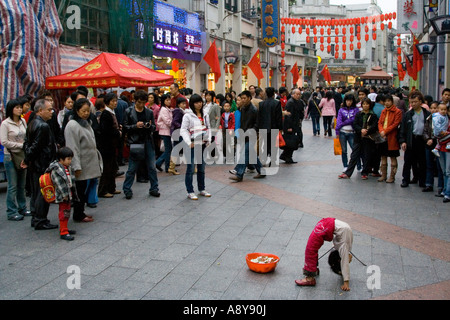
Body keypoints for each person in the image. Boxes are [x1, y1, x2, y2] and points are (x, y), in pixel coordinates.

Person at [64, 98, 102, 222]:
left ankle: (81, 212)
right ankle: (78, 214)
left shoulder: (86, 122)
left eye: (87, 111)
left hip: (89, 162)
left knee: (83, 189)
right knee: (79, 191)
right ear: (77, 110)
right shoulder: (72, 125)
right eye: (83, 111)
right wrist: (76, 166)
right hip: (81, 164)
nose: (86, 113)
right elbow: (72, 147)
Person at [23, 99, 58, 230]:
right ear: (40, 111)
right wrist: (28, 158)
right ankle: (40, 219)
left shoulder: (33, 123)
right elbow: (35, 147)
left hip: (36, 164)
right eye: (49, 109)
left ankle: (36, 217)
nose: (51, 112)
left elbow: (27, 144)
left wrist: (27, 158)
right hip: (42, 165)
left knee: (37, 192)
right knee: (43, 192)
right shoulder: (42, 126)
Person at [295, 217, 353, 291]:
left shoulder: (344, 242)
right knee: (312, 246)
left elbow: (344, 260)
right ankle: (313, 270)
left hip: (334, 226)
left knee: (311, 249)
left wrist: (346, 282)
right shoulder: (343, 239)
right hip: (334, 226)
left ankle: (310, 278)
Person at [122, 90, 160, 200]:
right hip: (135, 142)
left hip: (148, 141)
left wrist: (149, 126)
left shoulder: (148, 112)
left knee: (152, 167)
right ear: (135, 101)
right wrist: (135, 126)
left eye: (144, 102)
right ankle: (127, 189)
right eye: (139, 102)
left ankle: (154, 188)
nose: (141, 105)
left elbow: (153, 127)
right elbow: (125, 127)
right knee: (132, 168)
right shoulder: (129, 111)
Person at [0, 99, 30, 221]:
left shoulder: (23, 121)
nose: (19, 109)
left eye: (20, 107)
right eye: (16, 107)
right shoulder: (5, 124)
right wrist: (20, 145)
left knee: (22, 184)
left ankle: (22, 207)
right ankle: (11, 211)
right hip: (10, 156)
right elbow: (4, 142)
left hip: (22, 155)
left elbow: (27, 136)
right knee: (13, 185)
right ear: (11, 109)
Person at [180, 93, 212, 200]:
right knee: (190, 168)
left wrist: (209, 139)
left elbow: (208, 127)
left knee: (201, 168)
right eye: (196, 102)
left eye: (200, 102)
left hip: (202, 144)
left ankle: (202, 189)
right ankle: (190, 191)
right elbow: (183, 130)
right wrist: (189, 143)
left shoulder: (205, 114)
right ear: (192, 104)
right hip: (192, 145)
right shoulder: (187, 115)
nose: (199, 104)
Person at [229, 91, 265, 181]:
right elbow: (242, 122)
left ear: (249, 98)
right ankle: (261, 171)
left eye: (245, 98)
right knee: (251, 154)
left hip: (251, 135)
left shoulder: (254, 110)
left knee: (245, 153)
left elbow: (257, 124)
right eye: (242, 98)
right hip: (244, 134)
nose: (243, 100)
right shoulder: (243, 108)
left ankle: (239, 173)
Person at [339, 98, 379, 179]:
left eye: (367, 104)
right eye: (364, 104)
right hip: (358, 137)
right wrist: (361, 130)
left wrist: (367, 131)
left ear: (369, 105)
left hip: (368, 138)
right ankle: (348, 173)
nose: (365, 106)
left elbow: (375, 126)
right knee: (354, 155)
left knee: (366, 155)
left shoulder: (373, 115)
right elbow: (355, 124)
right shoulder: (359, 114)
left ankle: (365, 173)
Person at [398, 91, 430, 188]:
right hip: (411, 139)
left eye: (415, 102)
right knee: (408, 161)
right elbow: (403, 129)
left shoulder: (427, 114)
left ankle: (422, 180)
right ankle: (405, 180)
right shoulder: (408, 114)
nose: (413, 104)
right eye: (411, 102)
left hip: (422, 140)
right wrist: (403, 141)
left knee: (422, 162)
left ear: (420, 102)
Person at [47, 147, 79, 241]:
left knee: (67, 211)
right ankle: (63, 232)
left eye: (70, 159)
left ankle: (64, 228)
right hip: (63, 195)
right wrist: (65, 195)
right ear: (61, 159)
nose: (70, 161)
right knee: (64, 212)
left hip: (68, 194)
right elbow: (59, 184)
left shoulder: (67, 167)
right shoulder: (57, 169)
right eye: (68, 159)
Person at [97, 92, 122, 197]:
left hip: (112, 145)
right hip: (106, 146)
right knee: (107, 168)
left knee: (112, 168)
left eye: (116, 100)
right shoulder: (106, 114)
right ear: (107, 102)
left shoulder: (112, 112)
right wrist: (117, 132)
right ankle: (103, 190)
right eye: (113, 101)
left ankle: (111, 188)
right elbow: (106, 130)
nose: (115, 103)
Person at [377, 94, 403, 183]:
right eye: (385, 101)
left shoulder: (397, 111)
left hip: (392, 137)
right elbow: (380, 122)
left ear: (392, 101)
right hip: (383, 136)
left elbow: (395, 124)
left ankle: (392, 176)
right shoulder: (383, 111)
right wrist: (381, 131)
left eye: (389, 101)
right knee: (383, 156)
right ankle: (383, 175)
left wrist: (385, 131)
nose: (387, 103)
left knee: (392, 156)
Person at [256, 87, 282, 164]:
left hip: (263, 127)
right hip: (274, 127)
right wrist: (280, 128)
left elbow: (259, 117)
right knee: (273, 145)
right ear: (273, 93)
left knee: (265, 144)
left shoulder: (261, 104)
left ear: (266, 93)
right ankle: (273, 160)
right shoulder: (277, 103)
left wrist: (258, 127)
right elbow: (279, 117)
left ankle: (264, 159)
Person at [335, 93, 360, 172]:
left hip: (352, 132)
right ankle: (345, 165)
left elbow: (353, 119)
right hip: (342, 132)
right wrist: (337, 132)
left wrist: (343, 123)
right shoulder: (341, 110)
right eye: (347, 100)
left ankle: (359, 166)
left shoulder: (356, 110)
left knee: (355, 150)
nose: (349, 102)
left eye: (350, 101)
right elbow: (338, 120)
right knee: (344, 150)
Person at [423, 102, 445, 193]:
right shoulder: (428, 119)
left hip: (439, 144)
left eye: (435, 108)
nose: (433, 110)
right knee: (429, 165)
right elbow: (425, 131)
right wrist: (427, 138)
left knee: (439, 166)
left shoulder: (443, 119)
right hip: (429, 144)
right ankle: (429, 184)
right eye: (431, 108)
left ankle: (441, 186)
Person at [280, 88, 303, 164]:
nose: (298, 96)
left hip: (295, 124)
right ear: (293, 94)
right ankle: (287, 156)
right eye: (297, 94)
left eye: (299, 94)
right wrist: (289, 127)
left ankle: (286, 155)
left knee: (292, 141)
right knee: (290, 141)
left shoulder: (298, 102)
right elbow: (288, 115)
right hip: (290, 125)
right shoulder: (290, 102)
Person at [169, 97, 187, 175]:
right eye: (183, 104)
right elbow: (175, 121)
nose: (184, 105)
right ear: (179, 104)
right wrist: (182, 127)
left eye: (185, 103)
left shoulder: (180, 111)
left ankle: (171, 167)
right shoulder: (178, 111)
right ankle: (171, 168)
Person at [155, 94, 173, 173]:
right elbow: (168, 122)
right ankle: (160, 164)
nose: (169, 102)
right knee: (168, 150)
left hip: (166, 131)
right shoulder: (163, 110)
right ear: (163, 101)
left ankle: (163, 165)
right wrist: (175, 124)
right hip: (165, 131)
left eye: (169, 100)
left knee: (168, 149)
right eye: (167, 100)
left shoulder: (167, 109)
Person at [436, 104, 450, 202]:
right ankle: (445, 190)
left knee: (448, 172)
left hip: (447, 148)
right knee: (444, 171)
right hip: (441, 148)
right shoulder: (442, 119)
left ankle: (447, 193)